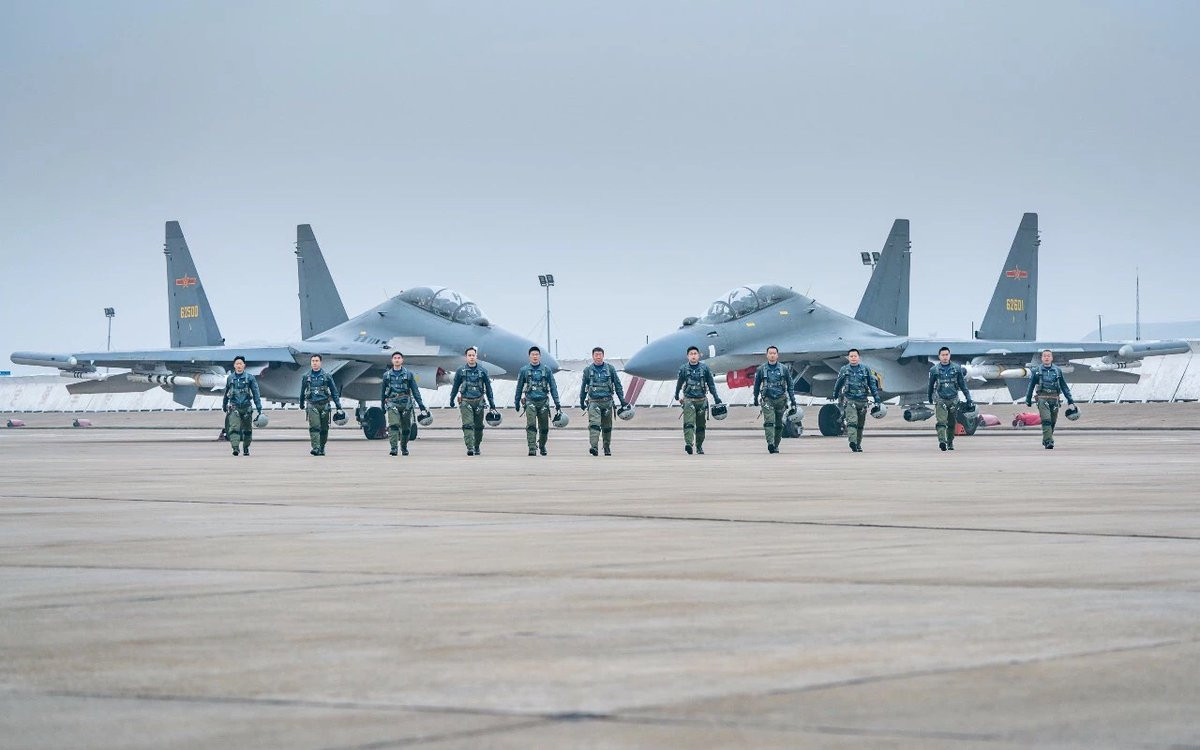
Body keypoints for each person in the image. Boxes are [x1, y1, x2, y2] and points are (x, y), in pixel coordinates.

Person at [579, 347, 628, 456]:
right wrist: (581, 401)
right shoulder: (588, 371)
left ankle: (606, 447)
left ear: (603, 356)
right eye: (596, 355)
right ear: (593, 356)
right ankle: (594, 447)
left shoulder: (610, 369)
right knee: (594, 425)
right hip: (594, 402)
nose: (598, 357)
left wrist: (622, 401)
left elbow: (618, 385)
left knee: (607, 427)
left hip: (607, 402)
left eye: (600, 354)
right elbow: (583, 387)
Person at [448, 347, 496, 456]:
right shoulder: (461, 371)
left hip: (479, 402)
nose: (471, 357)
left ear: (476, 357)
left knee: (479, 426)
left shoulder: (483, 371)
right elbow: (455, 386)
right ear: (466, 357)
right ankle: (470, 447)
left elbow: (488, 389)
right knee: (468, 425)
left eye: (473, 355)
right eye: (469, 355)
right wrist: (451, 398)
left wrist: (492, 404)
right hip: (466, 401)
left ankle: (477, 446)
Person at [832, 348, 882, 453]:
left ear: (858, 357)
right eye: (851, 356)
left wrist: (877, 399)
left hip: (863, 401)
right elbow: (839, 383)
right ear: (848, 358)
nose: (853, 358)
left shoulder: (866, 369)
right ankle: (853, 442)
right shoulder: (844, 369)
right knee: (852, 422)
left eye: (855, 356)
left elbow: (872, 384)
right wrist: (835, 394)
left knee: (860, 425)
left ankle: (858, 445)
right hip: (850, 400)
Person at [514, 346, 561, 456]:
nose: (535, 356)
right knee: (531, 425)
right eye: (533, 355)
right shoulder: (524, 370)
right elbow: (519, 387)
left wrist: (557, 402)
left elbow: (553, 387)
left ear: (540, 356)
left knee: (544, 428)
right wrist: (516, 401)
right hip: (530, 402)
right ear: (529, 356)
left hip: (543, 402)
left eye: (536, 354)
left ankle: (542, 445)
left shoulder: (546, 370)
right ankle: (531, 447)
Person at [674, 346, 722, 454]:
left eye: (695, 353)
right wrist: (676, 394)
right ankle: (689, 444)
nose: (693, 356)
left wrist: (716, 397)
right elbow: (679, 383)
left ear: (699, 355)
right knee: (689, 424)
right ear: (688, 356)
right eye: (691, 354)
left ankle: (699, 446)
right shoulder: (683, 369)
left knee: (700, 427)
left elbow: (711, 384)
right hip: (689, 400)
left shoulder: (705, 369)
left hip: (701, 401)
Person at [1025, 349, 1076, 449]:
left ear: (1052, 358)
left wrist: (1070, 401)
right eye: (1045, 356)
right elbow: (1030, 386)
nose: (1047, 357)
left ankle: (1046, 439)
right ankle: (1049, 441)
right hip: (1042, 399)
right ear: (1042, 358)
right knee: (1046, 420)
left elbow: (1064, 386)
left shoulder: (1057, 371)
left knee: (1052, 421)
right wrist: (1028, 399)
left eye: (1049, 356)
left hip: (1055, 399)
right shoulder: (1036, 371)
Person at [927, 346, 973, 452]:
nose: (945, 357)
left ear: (949, 355)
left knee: (951, 423)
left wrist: (968, 398)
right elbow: (930, 385)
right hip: (940, 400)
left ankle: (950, 442)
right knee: (941, 422)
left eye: (947, 355)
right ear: (939, 356)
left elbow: (963, 385)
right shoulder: (934, 370)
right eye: (943, 355)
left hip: (953, 400)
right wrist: (929, 397)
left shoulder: (957, 369)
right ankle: (942, 441)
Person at [380, 351, 426, 456]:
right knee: (394, 426)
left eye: (399, 358)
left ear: (402, 360)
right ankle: (394, 448)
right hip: (392, 403)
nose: (397, 359)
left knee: (406, 429)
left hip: (406, 404)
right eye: (395, 358)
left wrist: (421, 405)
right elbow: (383, 392)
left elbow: (415, 390)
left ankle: (404, 447)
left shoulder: (408, 374)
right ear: (392, 360)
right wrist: (382, 405)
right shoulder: (386, 375)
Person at [752, 346, 796, 454]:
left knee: (779, 424)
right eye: (770, 353)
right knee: (769, 422)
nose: (772, 355)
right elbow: (757, 385)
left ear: (777, 355)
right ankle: (770, 444)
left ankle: (776, 445)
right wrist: (755, 398)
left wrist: (793, 400)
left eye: (774, 353)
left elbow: (790, 385)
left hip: (781, 400)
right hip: (768, 399)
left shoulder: (784, 369)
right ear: (767, 355)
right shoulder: (762, 369)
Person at [299, 354, 342, 456]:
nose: (314, 363)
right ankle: (316, 447)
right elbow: (302, 392)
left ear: (320, 362)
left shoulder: (327, 376)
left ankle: (322, 447)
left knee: (324, 429)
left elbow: (334, 392)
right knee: (314, 427)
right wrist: (301, 403)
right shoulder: (306, 377)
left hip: (324, 405)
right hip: (312, 405)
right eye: (313, 361)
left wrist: (338, 406)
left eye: (316, 361)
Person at [223, 355, 262, 456]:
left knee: (247, 430)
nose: (239, 365)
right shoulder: (230, 378)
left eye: (240, 364)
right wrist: (224, 404)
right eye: (237, 364)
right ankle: (235, 448)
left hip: (246, 407)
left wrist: (259, 407)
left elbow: (256, 392)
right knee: (234, 428)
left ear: (244, 365)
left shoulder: (250, 378)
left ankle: (246, 447)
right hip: (234, 407)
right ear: (234, 366)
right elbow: (226, 392)